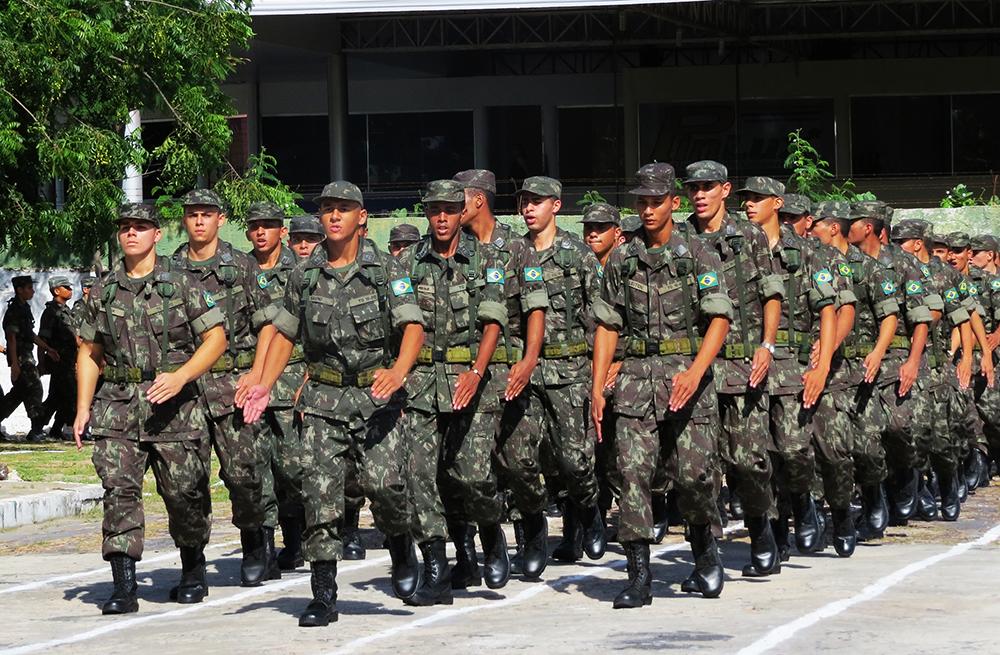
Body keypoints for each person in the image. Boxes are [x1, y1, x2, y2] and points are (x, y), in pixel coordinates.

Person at [240, 180, 424, 627]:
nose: (334, 216)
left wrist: (398, 372)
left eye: (343, 209)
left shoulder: (385, 270)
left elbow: (413, 326)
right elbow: (284, 331)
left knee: (386, 488)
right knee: (320, 497)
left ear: (361, 217)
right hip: (322, 399)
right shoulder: (305, 274)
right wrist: (264, 383)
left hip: (376, 397)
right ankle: (323, 594)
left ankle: (400, 545)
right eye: (327, 209)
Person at [591, 162, 733, 607]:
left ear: (674, 202)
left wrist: (695, 372)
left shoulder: (698, 253)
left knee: (694, 476)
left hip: (687, 378)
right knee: (632, 475)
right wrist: (598, 387)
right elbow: (608, 326)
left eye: (656, 201)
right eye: (641, 202)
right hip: (635, 382)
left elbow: (719, 318)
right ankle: (638, 577)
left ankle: (706, 557)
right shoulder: (623, 257)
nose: (648, 209)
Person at [74, 202, 227, 614]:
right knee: (119, 493)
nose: (131, 234)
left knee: (184, 494)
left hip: (174, 406)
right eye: (125, 227)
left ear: (157, 235)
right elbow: (89, 351)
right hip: (118, 406)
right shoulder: (103, 291)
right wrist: (82, 408)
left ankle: (193, 567)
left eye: (141, 227)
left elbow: (215, 338)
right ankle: (124, 586)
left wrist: (181, 377)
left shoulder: (181, 284)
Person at [400, 179, 512, 600]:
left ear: (461, 211)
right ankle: (437, 567)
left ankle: (490, 532)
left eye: (450, 209)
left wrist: (477, 370)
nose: (442, 217)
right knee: (421, 477)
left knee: (472, 475)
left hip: (471, 381)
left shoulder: (485, 260)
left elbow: (493, 319)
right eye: (434, 210)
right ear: (426, 213)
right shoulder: (407, 262)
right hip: (422, 383)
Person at [172, 189, 278, 587]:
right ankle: (192, 562)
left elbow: (269, 323)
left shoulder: (242, 266)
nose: (199, 221)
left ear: (220, 219)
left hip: (233, 384)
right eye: (192, 215)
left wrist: (257, 374)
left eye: (207, 214)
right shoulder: (169, 269)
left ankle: (254, 540)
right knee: (185, 483)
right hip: (185, 392)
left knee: (244, 475)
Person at [683, 162, 784, 576]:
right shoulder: (681, 236)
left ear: (725, 190)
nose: (700, 195)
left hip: (742, 363)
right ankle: (705, 555)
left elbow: (771, 292)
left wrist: (767, 344)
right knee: (696, 468)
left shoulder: (750, 237)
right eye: (694, 189)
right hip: (694, 367)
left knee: (747, 462)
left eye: (708, 187)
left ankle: (762, 531)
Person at [503, 175, 606, 575]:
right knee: (520, 460)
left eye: (537, 201)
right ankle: (533, 529)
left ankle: (588, 510)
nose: (528, 208)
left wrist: (599, 375)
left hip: (570, 369)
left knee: (575, 461)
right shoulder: (511, 253)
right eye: (524, 202)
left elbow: (600, 319)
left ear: (556, 206)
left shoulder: (577, 255)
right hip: (524, 373)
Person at [453, 168, 548, 574]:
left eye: (457, 200)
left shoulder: (516, 248)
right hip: (470, 374)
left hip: (510, 371)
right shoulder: (454, 248)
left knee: (518, 461)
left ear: (477, 201)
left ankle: (533, 522)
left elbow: (536, 307)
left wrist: (528, 361)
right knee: (468, 464)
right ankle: (485, 543)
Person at [752, 186, 855, 558]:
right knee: (766, 453)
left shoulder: (816, 255)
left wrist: (824, 358)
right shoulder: (745, 251)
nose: (794, 225)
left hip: (810, 362)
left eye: (798, 219)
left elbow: (842, 309)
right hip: (761, 363)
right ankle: (779, 530)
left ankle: (840, 512)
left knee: (828, 450)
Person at [245, 201, 310, 569]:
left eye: (268, 225)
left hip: (292, 382)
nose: (260, 232)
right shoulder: (240, 271)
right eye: (254, 226)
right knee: (256, 468)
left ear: (281, 231)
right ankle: (265, 548)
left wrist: (308, 378)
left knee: (292, 469)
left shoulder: (300, 272)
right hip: (250, 386)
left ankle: (297, 538)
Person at [0, 275, 55, 440]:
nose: (32, 291)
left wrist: (47, 348)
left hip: (26, 356)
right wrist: (15, 365)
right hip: (21, 358)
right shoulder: (14, 311)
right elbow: (11, 338)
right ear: (19, 290)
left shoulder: (24, 308)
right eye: (29, 288)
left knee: (18, 394)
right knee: (35, 389)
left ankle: (36, 428)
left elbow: (30, 334)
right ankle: (36, 429)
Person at [38, 276, 79, 440]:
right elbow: (42, 340)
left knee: (58, 398)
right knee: (69, 396)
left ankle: (53, 429)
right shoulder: (51, 313)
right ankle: (39, 427)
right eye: (66, 287)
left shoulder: (67, 312)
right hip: (59, 363)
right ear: (57, 290)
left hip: (69, 362)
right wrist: (41, 363)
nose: (70, 290)